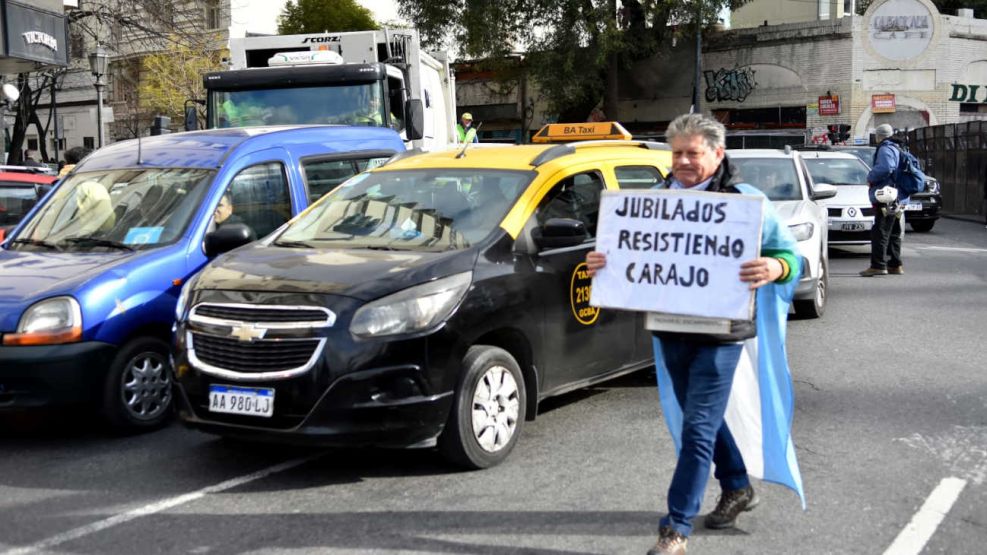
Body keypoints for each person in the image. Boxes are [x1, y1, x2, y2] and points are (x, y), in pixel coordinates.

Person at [586, 113, 802, 555]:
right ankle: (737, 485)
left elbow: (789, 254)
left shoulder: (745, 200)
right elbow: (623, 252)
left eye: (693, 153)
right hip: (670, 328)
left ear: (718, 154)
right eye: (677, 153)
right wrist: (600, 263)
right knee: (700, 421)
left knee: (697, 429)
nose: (683, 161)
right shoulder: (652, 201)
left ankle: (676, 529)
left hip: (721, 334)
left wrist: (775, 266)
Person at [860, 123, 905, 276]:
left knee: (880, 231)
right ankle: (895, 264)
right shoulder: (897, 147)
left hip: (886, 195)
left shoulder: (885, 148)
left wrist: (870, 177)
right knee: (894, 231)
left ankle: (878, 265)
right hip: (897, 196)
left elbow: (886, 167)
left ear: (879, 136)